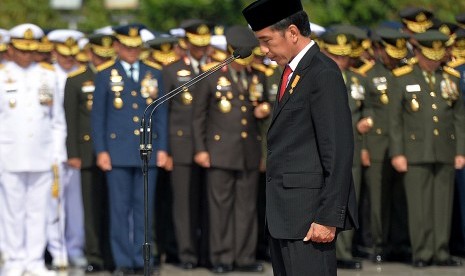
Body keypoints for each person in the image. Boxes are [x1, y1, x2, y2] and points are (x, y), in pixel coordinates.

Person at [242, 0, 358, 275]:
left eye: (267, 41)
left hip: (309, 220)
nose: (263, 51)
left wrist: (328, 217)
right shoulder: (293, 72)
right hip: (286, 217)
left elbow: (338, 151)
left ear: (292, 32)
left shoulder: (322, 73)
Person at [192, 25, 270, 274]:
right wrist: (201, 149)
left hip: (248, 151)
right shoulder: (212, 76)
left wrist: (262, 110)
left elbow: (262, 108)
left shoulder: (257, 76)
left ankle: (244, 256)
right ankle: (222, 257)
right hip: (220, 151)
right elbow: (199, 117)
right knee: (221, 208)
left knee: (247, 207)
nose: (248, 63)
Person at [91, 23, 168, 275]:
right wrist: (101, 150)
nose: (132, 51)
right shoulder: (104, 74)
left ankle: (142, 259)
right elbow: (98, 117)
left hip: (148, 149)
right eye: (127, 46)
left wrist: (163, 148)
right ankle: (123, 261)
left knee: (144, 209)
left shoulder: (153, 73)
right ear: (116, 46)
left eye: (136, 47)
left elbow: (161, 115)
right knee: (119, 209)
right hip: (118, 151)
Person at [389, 30, 465, 268]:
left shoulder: (450, 77)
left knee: (442, 203)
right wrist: (397, 152)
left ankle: (440, 251)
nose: (433, 61)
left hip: (444, 148)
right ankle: (421, 252)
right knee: (419, 205)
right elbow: (395, 120)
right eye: (428, 55)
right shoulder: (402, 77)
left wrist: (460, 150)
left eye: (437, 55)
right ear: (419, 53)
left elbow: (459, 118)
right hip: (415, 151)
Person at [0, 23, 64, 276]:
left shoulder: (48, 75)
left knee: (40, 210)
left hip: (42, 153)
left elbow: (57, 120)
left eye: (31, 51)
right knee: (13, 210)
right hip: (10, 153)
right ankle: (15, 259)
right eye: (21, 50)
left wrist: (57, 153)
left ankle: (35, 260)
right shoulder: (2, 74)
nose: (26, 56)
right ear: (12, 49)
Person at [161, 20, 212, 269]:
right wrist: (166, 150)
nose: (200, 50)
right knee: (183, 205)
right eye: (196, 45)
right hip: (181, 146)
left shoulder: (216, 69)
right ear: (187, 44)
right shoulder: (172, 71)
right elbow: (164, 114)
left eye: (204, 45)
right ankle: (187, 254)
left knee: (208, 203)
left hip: (212, 147)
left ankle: (206, 252)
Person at [63, 33, 116, 273]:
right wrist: (73, 153)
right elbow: (71, 120)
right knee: (91, 206)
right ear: (90, 54)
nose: (103, 61)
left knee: (114, 206)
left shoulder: (117, 76)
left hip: (115, 151)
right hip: (87, 151)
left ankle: (112, 253)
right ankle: (94, 255)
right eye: (99, 56)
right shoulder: (76, 80)